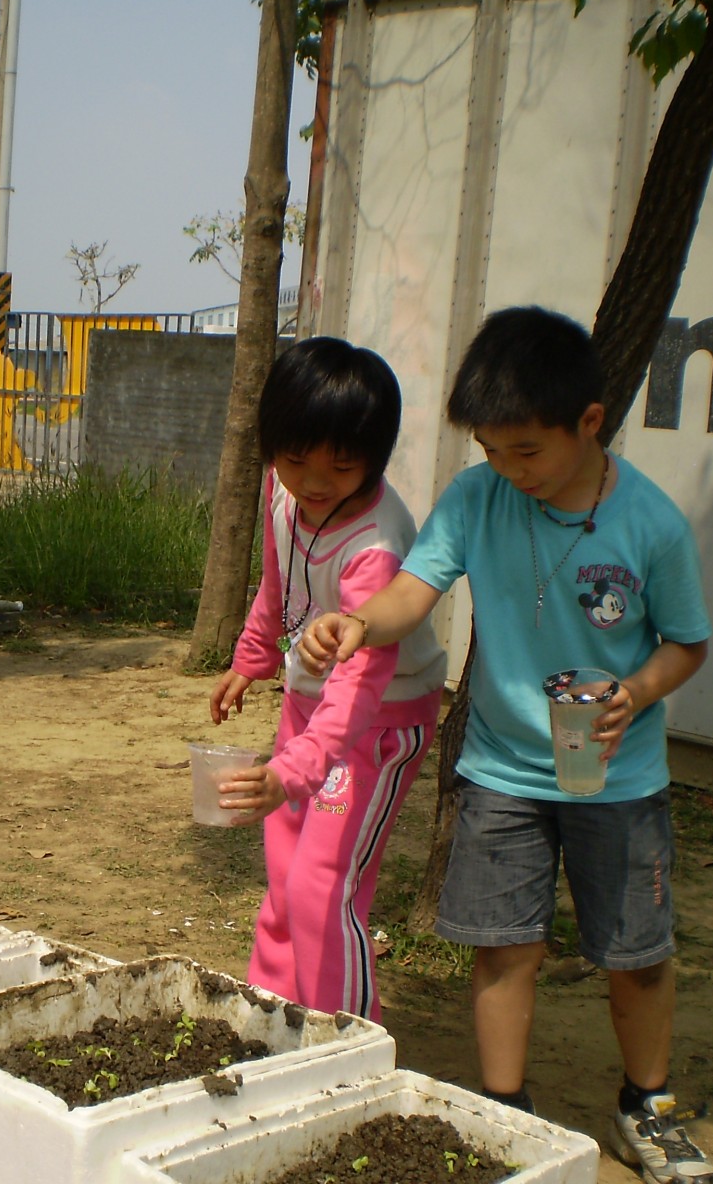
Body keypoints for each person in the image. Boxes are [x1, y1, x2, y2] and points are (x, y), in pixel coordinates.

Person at [299, 307, 713, 1184]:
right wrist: (357, 621)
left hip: (618, 777)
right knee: (503, 946)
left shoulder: (651, 524)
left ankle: (649, 1106)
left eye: (525, 451)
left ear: (590, 423)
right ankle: (504, 1112)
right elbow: (415, 589)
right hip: (501, 772)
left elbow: (687, 643)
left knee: (638, 956)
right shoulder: (477, 498)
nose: (508, 470)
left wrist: (637, 692)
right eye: (491, 450)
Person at [208, 337, 447, 1023]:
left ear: (375, 456)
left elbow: (361, 684)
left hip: (375, 728)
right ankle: (276, 1019)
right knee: (286, 880)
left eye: (341, 466)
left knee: (321, 886)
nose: (313, 483)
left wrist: (294, 772)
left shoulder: (375, 546)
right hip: (308, 709)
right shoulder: (282, 494)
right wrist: (253, 656)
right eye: (294, 461)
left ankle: (342, 1042)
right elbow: (278, 582)